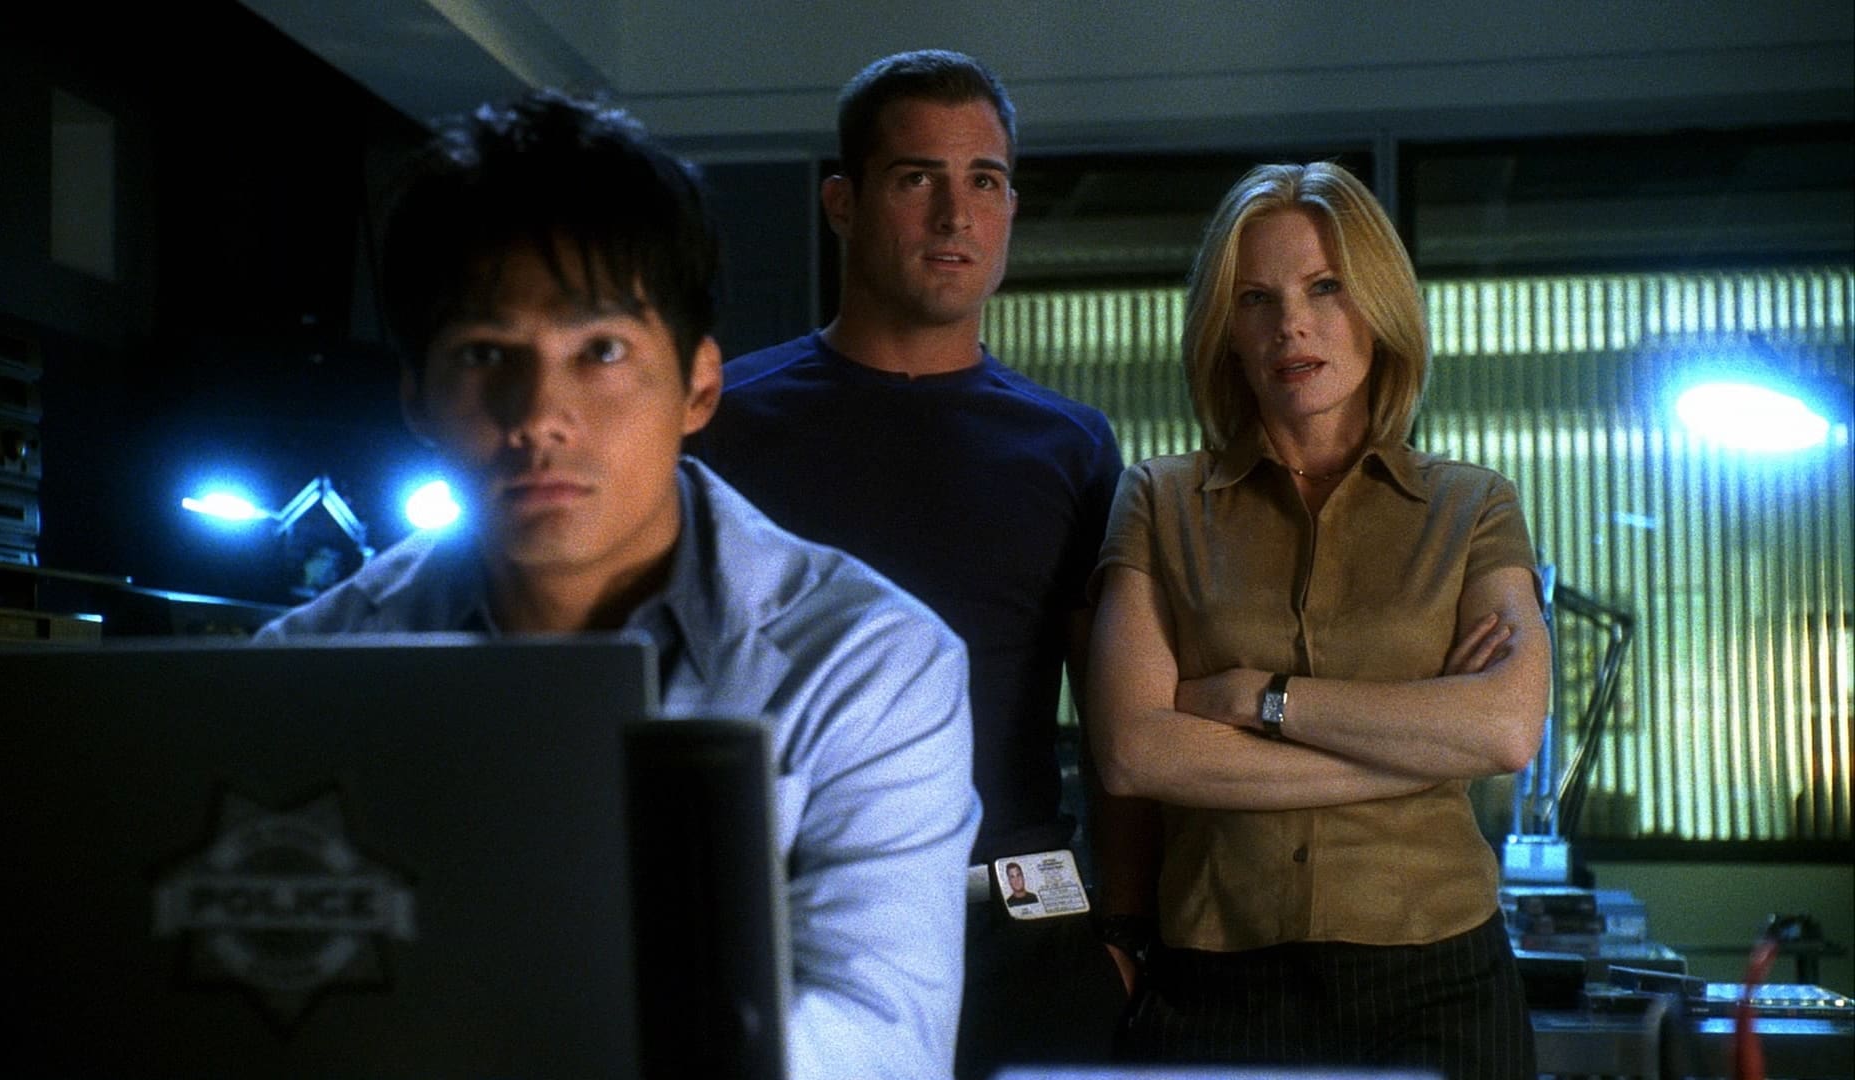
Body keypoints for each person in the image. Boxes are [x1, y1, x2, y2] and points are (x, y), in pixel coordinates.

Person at [255, 89, 979, 1080]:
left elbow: (880, 1037)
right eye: (485, 355)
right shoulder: (308, 666)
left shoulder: (867, 662)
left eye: (600, 351)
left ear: (699, 386)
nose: (540, 414)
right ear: (417, 398)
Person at [686, 49, 1128, 1078]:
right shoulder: (721, 424)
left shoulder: (1070, 446)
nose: (955, 215)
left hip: (1020, 937)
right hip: (790, 928)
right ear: (842, 203)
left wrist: (1127, 938)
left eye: (986, 181)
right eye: (916, 177)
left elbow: (1120, 729)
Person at [1084, 161, 1549, 1078]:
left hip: (1442, 982)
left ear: (1378, 305)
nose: (1290, 324)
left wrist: (1258, 698)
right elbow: (1136, 751)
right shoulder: (1158, 500)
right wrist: (1417, 751)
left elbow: (1503, 729)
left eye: (1325, 287)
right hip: (1217, 986)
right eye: (1256, 299)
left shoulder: (1474, 508)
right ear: (1226, 331)